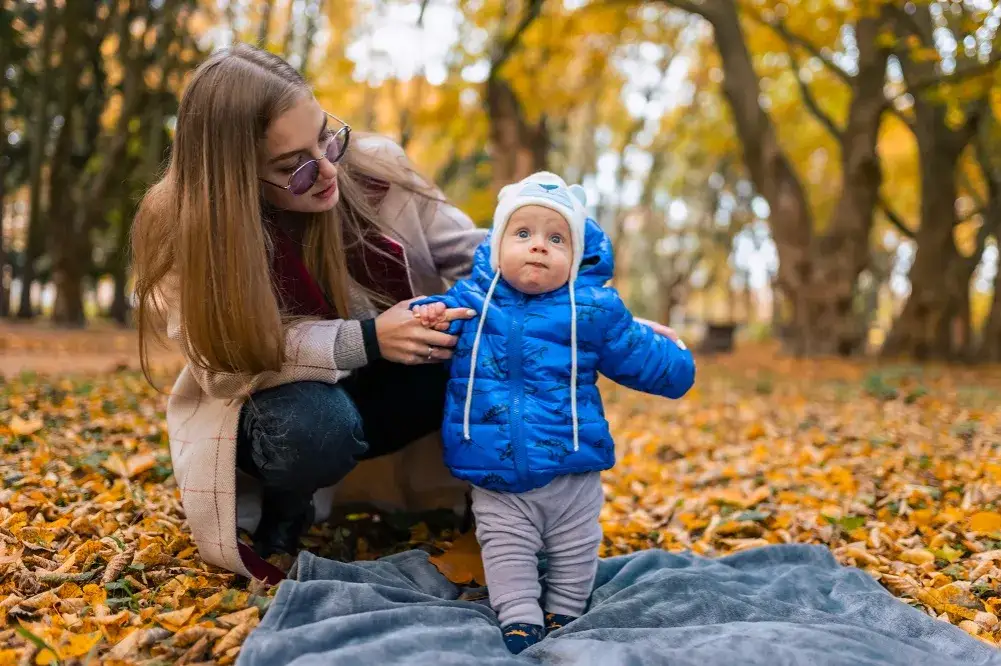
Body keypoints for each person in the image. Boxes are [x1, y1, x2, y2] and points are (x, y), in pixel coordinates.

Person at [130, 43, 486, 581]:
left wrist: (568, 285)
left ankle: (496, 506)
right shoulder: (184, 227)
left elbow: (473, 252)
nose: (325, 170)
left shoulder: (377, 171)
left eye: (326, 136)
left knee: (499, 348)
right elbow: (222, 362)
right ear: (236, 177)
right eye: (292, 166)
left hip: (389, 387)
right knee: (315, 429)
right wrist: (368, 338)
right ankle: (284, 503)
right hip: (281, 408)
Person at [412, 171, 696, 653]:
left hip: (571, 465)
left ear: (576, 255)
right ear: (497, 246)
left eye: (557, 238)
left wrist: (676, 358)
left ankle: (565, 609)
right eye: (522, 233)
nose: (539, 245)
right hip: (494, 465)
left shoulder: (594, 309)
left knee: (575, 544)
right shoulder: (471, 300)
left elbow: (643, 359)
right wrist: (428, 313)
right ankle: (518, 616)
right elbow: (433, 319)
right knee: (504, 545)